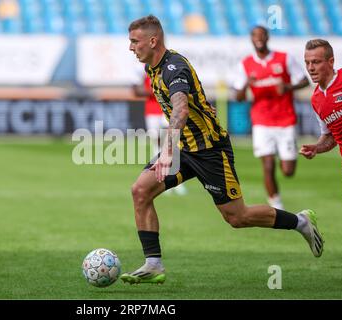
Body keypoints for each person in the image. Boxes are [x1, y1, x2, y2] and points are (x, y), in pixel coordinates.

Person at [120, 15, 324, 285]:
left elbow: (180, 108)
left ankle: (300, 222)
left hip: (209, 151)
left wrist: (167, 149)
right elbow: (192, 102)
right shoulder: (154, 68)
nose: (131, 47)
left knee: (237, 217)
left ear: (153, 40)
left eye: (135, 41)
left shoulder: (173, 68)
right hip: (185, 148)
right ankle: (153, 264)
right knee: (140, 190)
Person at [233, 26, 310, 210]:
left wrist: (288, 87)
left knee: (288, 171)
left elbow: (305, 80)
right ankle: (277, 207)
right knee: (267, 166)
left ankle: (285, 158)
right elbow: (238, 97)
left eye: (262, 35)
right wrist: (246, 86)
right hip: (262, 121)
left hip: (285, 119)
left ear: (267, 37)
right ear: (251, 39)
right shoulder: (245, 65)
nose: (258, 38)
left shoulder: (284, 58)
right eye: (255, 35)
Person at [300, 39, 342, 205]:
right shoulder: (316, 99)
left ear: (331, 62)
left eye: (316, 62)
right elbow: (330, 137)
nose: (310, 68)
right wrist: (316, 147)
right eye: (307, 63)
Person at [133, 72, 188, 195]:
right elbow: (136, 91)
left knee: (171, 143)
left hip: (167, 110)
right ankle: (159, 180)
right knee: (156, 144)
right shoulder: (142, 68)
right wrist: (157, 90)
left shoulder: (166, 66)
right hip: (151, 111)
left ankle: (178, 181)